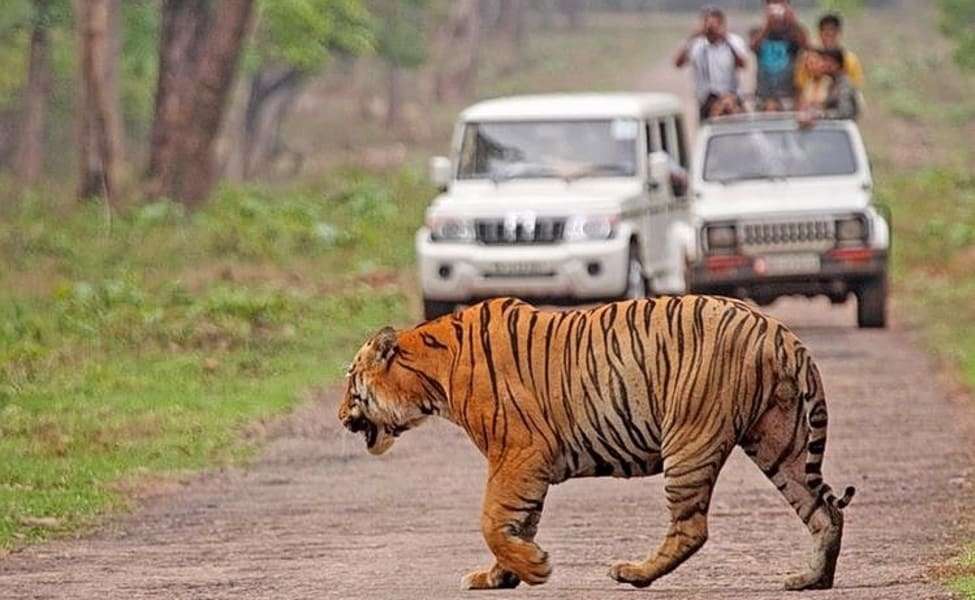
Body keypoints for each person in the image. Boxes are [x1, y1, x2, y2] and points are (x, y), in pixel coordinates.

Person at [674, 6, 748, 122]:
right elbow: (678, 63)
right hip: (706, 100)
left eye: (715, 24)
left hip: (731, 97)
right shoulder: (697, 44)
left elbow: (742, 64)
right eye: (707, 23)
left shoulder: (734, 41)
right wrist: (692, 37)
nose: (711, 28)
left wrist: (725, 39)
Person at [751, 0, 809, 111]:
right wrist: (767, 24)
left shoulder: (794, 32)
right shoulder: (758, 31)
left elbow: (806, 46)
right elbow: (753, 47)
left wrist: (793, 22)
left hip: (788, 96)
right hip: (763, 95)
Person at [796, 13, 865, 91]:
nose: (829, 33)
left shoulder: (850, 59)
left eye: (833, 30)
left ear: (839, 32)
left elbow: (855, 85)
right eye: (825, 30)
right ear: (819, 32)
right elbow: (801, 85)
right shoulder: (808, 59)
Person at [798, 48, 859, 124]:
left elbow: (845, 113)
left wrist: (821, 115)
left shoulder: (844, 84)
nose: (823, 64)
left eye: (826, 61)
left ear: (836, 64)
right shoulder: (830, 83)